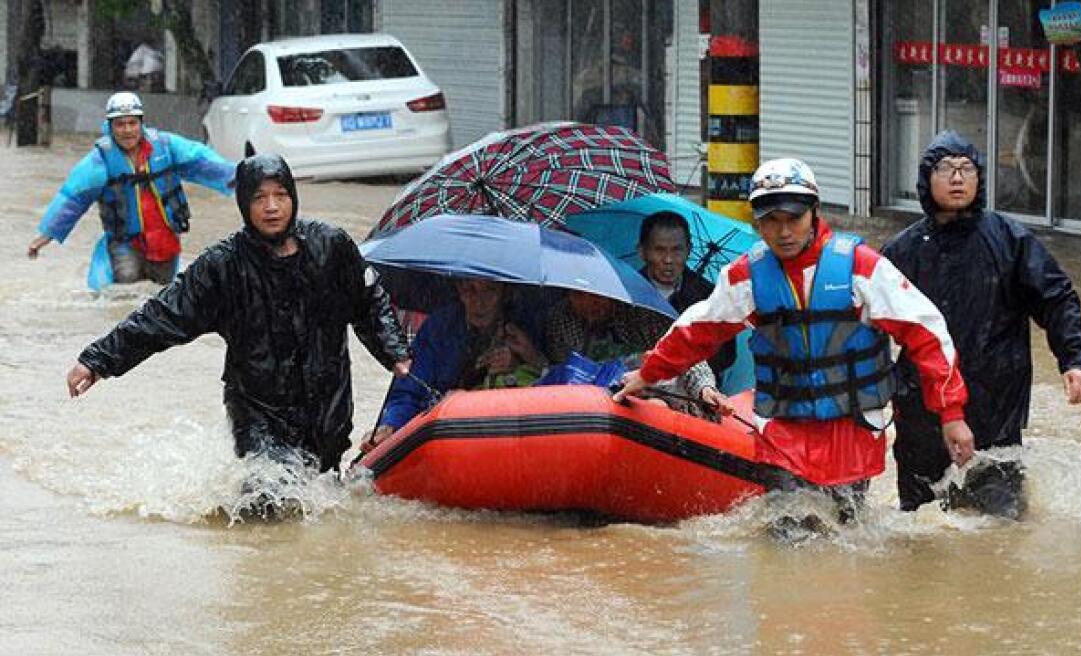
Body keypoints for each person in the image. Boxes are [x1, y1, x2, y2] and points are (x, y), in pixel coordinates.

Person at [613, 158, 974, 524]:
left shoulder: (861, 268)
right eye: (771, 221)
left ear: (814, 213)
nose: (783, 231)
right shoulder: (746, 277)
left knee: (847, 540)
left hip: (852, 431)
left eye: (793, 219)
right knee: (787, 537)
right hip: (782, 433)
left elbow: (927, 333)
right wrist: (647, 375)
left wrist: (952, 414)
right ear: (758, 222)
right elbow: (696, 330)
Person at [64, 154, 411, 472]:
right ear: (244, 204)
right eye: (259, 198)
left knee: (321, 497)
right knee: (267, 496)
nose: (272, 208)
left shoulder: (331, 247)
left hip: (328, 405)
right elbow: (162, 316)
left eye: (280, 196)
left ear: (293, 197)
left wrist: (394, 352)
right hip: (258, 410)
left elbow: (369, 302)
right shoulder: (223, 265)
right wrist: (99, 360)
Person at [881, 130, 1081, 519]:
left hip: (996, 404)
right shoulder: (901, 252)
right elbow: (868, 324)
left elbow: (1057, 297)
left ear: (980, 179)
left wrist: (1074, 360)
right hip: (921, 410)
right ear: (927, 180)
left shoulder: (1010, 239)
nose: (957, 178)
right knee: (919, 526)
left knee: (999, 525)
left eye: (966, 169)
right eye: (946, 169)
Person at [27, 91, 235, 290]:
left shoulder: (166, 147)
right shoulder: (99, 162)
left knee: (163, 297)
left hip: (165, 242)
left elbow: (202, 162)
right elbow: (72, 200)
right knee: (126, 289)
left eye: (132, 123)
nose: (127, 130)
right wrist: (44, 238)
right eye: (120, 124)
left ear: (141, 124)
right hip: (125, 244)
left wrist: (236, 178)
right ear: (110, 127)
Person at [365, 277, 547, 448]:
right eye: (470, 289)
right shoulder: (438, 328)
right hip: (445, 431)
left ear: (505, 293)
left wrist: (529, 360)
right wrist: (391, 425)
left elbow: (559, 384)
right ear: (459, 289)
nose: (479, 301)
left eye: (489, 291)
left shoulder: (528, 326)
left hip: (508, 432)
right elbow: (409, 390)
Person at [547, 289, 721, 408]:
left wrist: (704, 388)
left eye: (596, 296)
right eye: (579, 295)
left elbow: (684, 351)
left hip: (652, 394)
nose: (589, 303)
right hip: (587, 400)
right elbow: (560, 367)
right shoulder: (560, 319)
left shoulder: (645, 316)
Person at [637, 211, 737, 381]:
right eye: (659, 250)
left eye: (677, 250)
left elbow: (726, 355)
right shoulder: (629, 292)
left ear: (689, 250)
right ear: (642, 251)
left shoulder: (711, 296)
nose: (668, 259)